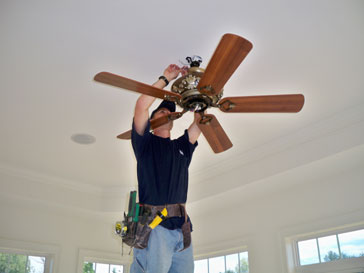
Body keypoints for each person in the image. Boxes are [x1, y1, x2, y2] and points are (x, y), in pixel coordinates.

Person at [129, 64, 202, 273]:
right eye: (161, 111)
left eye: (170, 113)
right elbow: (141, 105)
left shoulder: (181, 148)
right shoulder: (145, 144)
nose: (167, 113)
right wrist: (166, 78)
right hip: (156, 228)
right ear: (152, 121)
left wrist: (197, 97)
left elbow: (200, 124)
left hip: (183, 230)